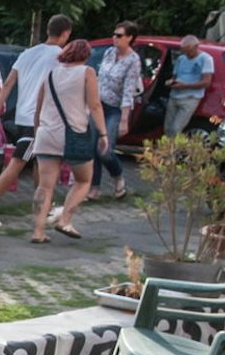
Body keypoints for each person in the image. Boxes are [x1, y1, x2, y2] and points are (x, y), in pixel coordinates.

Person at [0, 14, 73, 228]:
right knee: (19, 162)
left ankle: (45, 207)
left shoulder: (29, 53)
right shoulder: (61, 55)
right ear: (66, 34)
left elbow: (8, 83)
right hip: (38, 118)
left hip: (22, 116)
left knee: (40, 162)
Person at [28, 39, 108, 244]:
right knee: (83, 180)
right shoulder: (87, 73)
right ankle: (64, 220)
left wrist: (38, 131)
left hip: (47, 134)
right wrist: (103, 133)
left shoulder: (50, 74)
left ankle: (38, 231)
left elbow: (38, 108)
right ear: (86, 56)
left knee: (45, 186)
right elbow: (95, 105)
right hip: (75, 134)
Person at [94, 21, 142, 199]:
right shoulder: (109, 52)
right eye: (114, 34)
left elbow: (129, 90)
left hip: (115, 107)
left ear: (130, 38)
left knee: (105, 150)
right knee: (94, 146)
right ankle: (94, 187)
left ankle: (118, 177)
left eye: (119, 35)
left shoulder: (133, 60)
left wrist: (124, 119)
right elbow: (99, 78)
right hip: (99, 104)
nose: (115, 38)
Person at [165, 34, 213, 136]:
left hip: (190, 97)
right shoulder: (181, 58)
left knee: (176, 128)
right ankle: (167, 148)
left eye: (189, 50)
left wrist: (185, 86)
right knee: (167, 127)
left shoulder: (205, 59)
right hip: (175, 96)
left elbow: (206, 82)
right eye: (184, 51)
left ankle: (173, 150)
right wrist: (171, 82)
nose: (187, 53)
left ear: (196, 47)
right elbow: (175, 76)